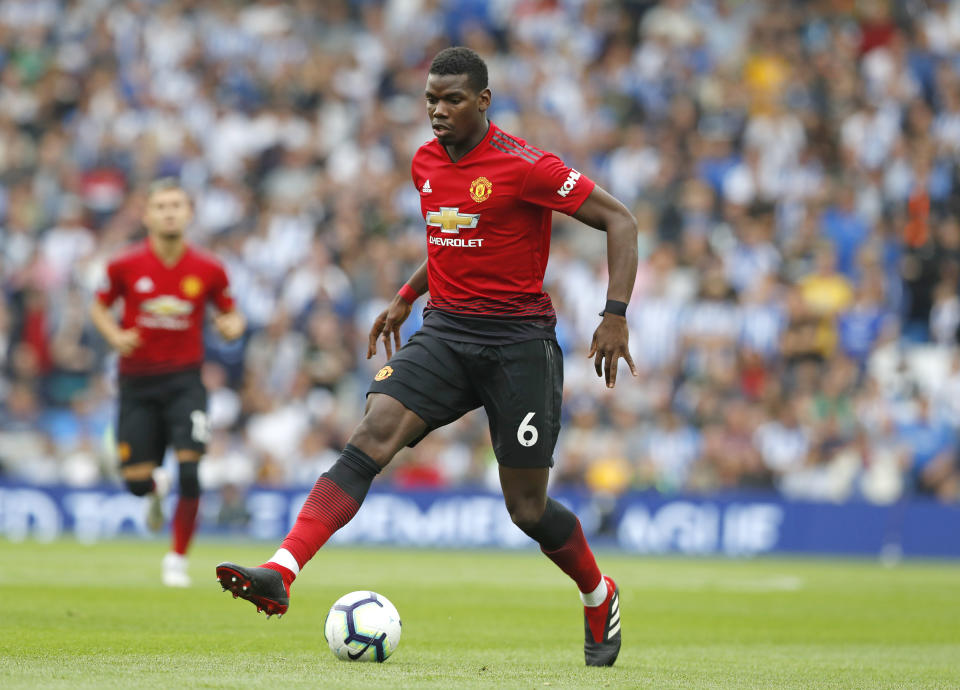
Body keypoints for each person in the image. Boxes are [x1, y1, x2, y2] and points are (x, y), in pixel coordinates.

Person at [216, 47, 637, 667]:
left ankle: (598, 592)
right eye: (431, 100)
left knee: (526, 508)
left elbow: (621, 221)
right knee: (371, 436)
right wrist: (407, 296)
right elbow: (452, 233)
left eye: (453, 100)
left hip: (519, 346)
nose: (438, 111)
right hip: (444, 335)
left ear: (483, 102)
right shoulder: (425, 162)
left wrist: (615, 313)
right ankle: (283, 569)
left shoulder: (527, 167)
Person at [91, 178, 245, 586]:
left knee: (192, 470)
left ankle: (177, 559)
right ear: (146, 215)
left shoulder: (209, 268)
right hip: (136, 383)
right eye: (161, 206)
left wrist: (232, 326)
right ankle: (154, 488)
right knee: (136, 482)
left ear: (189, 213)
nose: (170, 212)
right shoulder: (123, 265)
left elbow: (232, 314)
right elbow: (100, 308)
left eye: (177, 205)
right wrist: (115, 337)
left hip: (185, 381)